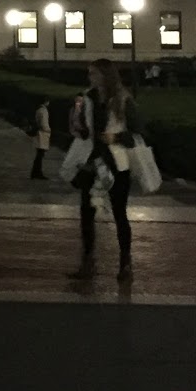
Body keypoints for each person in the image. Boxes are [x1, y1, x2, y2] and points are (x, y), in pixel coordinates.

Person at [63, 59, 144, 282]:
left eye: (94, 73)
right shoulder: (87, 98)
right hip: (91, 162)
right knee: (86, 214)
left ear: (105, 75)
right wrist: (77, 123)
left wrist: (115, 136)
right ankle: (87, 263)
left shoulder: (123, 99)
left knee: (119, 213)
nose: (90, 77)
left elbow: (137, 132)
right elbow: (81, 131)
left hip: (116, 162)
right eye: (90, 73)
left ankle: (125, 264)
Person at [29, 98, 50, 180]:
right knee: (40, 155)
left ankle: (36, 172)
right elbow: (44, 123)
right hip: (42, 134)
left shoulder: (38, 110)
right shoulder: (43, 111)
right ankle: (37, 172)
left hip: (39, 133)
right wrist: (48, 130)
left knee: (39, 154)